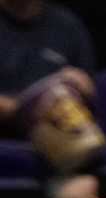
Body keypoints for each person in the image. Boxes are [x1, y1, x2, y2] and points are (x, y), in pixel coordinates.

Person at [0, 0, 97, 171]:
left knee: (83, 148)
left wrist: (84, 87)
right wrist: (23, 107)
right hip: (7, 131)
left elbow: (90, 90)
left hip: (59, 130)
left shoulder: (67, 25)